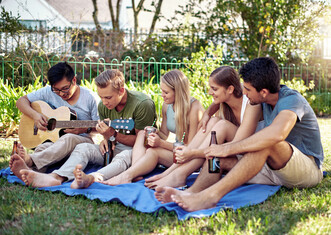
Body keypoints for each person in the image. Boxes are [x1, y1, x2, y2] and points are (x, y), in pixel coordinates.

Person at [155, 57, 324, 212]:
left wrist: (227, 148)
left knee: (265, 141)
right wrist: (209, 112)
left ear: (263, 92)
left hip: (305, 170)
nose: (243, 92)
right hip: (270, 168)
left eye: (248, 89)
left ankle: (210, 197)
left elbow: (276, 134)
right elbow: (227, 97)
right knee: (218, 160)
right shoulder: (258, 97)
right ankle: (192, 193)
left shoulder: (291, 100)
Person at [13, 69, 157, 188]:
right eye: (102, 97)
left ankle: (92, 178)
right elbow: (107, 134)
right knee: (82, 148)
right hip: (113, 147)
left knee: (123, 156)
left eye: (108, 97)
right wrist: (106, 139)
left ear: (121, 91)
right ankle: (56, 177)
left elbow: (142, 143)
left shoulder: (142, 104)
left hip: (135, 152)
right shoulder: (103, 105)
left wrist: (112, 135)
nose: (104, 102)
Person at [70, 69, 204, 189]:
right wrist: (151, 133)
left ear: (178, 91)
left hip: (191, 158)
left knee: (153, 152)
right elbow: (163, 134)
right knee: (144, 136)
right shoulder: (167, 106)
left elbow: (189, 149)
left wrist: (160, 143)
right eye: (162, 90)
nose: (162, 95)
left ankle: (128, 175)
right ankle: (133, 173)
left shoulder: (194, 108)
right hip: (177, 153)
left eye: (166, 92)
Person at [145, 66, 263, 189]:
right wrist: (207, 114)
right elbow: (213, 106)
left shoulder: (251, 102)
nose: (210, 92)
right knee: (213, 121)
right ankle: (173, 173)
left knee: (221, 125)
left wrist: (192, 153)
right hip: (230, 151)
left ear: (230, 89)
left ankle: (180, 174)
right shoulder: (225, 99)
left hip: (247, 152)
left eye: (214, 89)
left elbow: (237, 146)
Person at [9, 62, 99, 181]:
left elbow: (100, 126)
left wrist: (85, 129)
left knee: (69, 138)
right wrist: (35, 115)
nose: (61, 94)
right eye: (56, 90)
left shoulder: (90, 98)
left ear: (74, 80)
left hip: (83, 140)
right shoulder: (49, 92)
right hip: (56, 141)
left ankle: (30, 161)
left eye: (65, 88)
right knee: (43, 147)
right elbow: (21, 101)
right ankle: (31, 174)